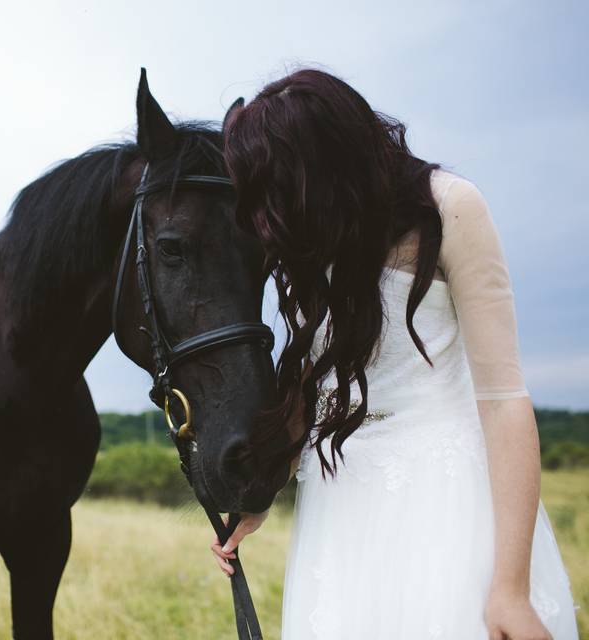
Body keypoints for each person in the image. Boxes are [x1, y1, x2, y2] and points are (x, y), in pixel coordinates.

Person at [210, 69, 579, 640]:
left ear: (323, 167)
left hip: (447, 501)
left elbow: (504, 401)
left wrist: (509, 586)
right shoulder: (314, 234)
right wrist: (266, 487)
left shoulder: (452, 208)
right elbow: (318, 378)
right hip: (342, 504)